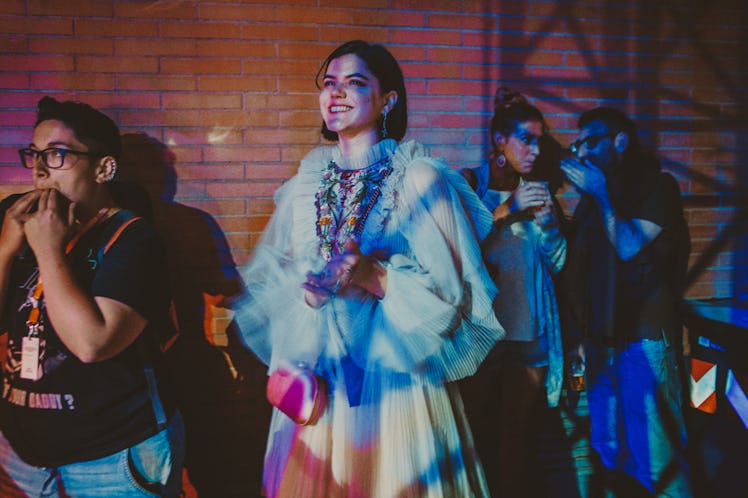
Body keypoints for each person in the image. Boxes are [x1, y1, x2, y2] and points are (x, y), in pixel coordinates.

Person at [235, 40, 504, 497]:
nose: (336, 93)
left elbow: (454, 298)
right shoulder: (308, 181)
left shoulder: (418, 178)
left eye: (355, 83)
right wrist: (309, 293)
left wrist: (374, 278)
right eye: (329, 83)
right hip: (323, 386)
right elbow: (275, 278)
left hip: (396, 391)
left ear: (387, 100)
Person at [0, 96, 184, 497]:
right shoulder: (15, 222)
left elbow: (92, 343)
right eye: (34, 154)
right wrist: (6, 249)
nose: (40, 169)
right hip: (22, 454)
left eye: (58, 154)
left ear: (104, 168)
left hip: (111, 456)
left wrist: (48, 248)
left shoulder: (134, 239)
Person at [560, 107, 692, 497]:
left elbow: (630, 246)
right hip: (602, 344)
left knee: (658, 462)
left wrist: (601, 196)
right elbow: (580, 269)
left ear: (619, 141)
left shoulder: (657, 186)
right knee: (609, 455)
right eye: (577, 144)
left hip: (645, 344)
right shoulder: (590, 201)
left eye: (591, 142)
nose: (581, 153)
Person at [461, 87, 567, 496]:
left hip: (528, 334)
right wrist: (508, 209)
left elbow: (557, 263)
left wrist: (551, 228)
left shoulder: (541, 193)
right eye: (527, 138)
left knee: (517, 438)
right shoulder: (471, 188)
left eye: (539, 140)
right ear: (499, 141)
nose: (535, 150)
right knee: (474, 430)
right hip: (482, 336)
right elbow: (461, 254)